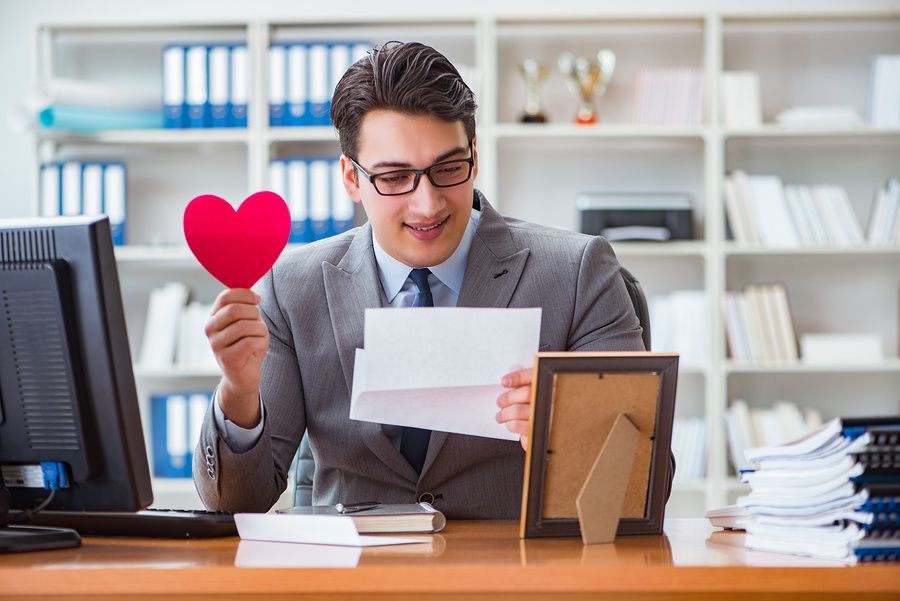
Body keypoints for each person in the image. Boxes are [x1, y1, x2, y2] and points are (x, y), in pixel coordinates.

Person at [195, 41, 661, 518]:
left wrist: (569, 429)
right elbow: (238, 502)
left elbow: (646, 487)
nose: (428, 204)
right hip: (353, 579)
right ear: (351, 180)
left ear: (474, 157)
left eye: (448, 169)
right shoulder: (292, 288)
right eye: (395, 177)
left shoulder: (577, 272)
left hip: (510, 578)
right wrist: (238, 391)